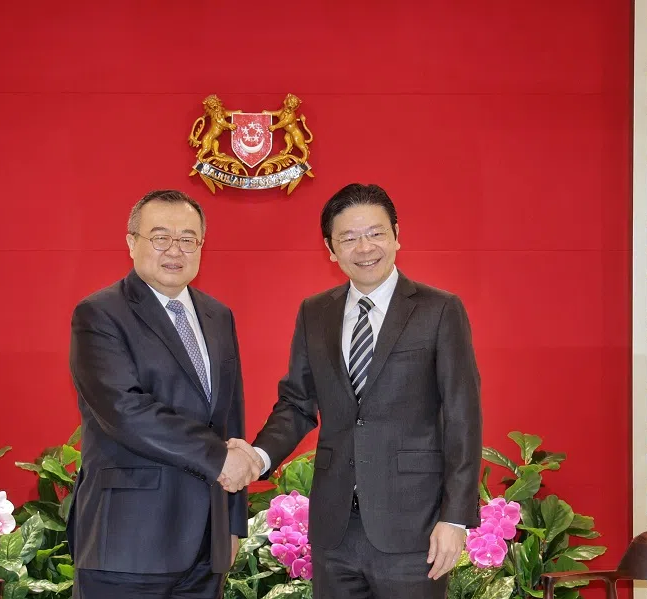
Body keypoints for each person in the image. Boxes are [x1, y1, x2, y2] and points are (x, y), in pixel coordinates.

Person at [235, 183, 482, 599]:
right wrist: (257, 457)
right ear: (331, 249)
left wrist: (454, 519)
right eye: (348, 238)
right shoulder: (315, 312)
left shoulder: (440, 310)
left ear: (397, 235)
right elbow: (297, 403)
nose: (364, 247)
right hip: (336, 532)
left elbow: (463, 418)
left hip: (414, 529)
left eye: (375, 233)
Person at [67, 189, 260, 599]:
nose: (175, 250)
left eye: (188, 239)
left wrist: (232, 523)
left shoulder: (218, 315)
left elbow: (230, 420)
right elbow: (125, 410)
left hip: (207, 547)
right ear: (131, 242)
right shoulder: (100, 314)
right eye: (160, 237)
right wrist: (219, 457)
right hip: (128, 544)